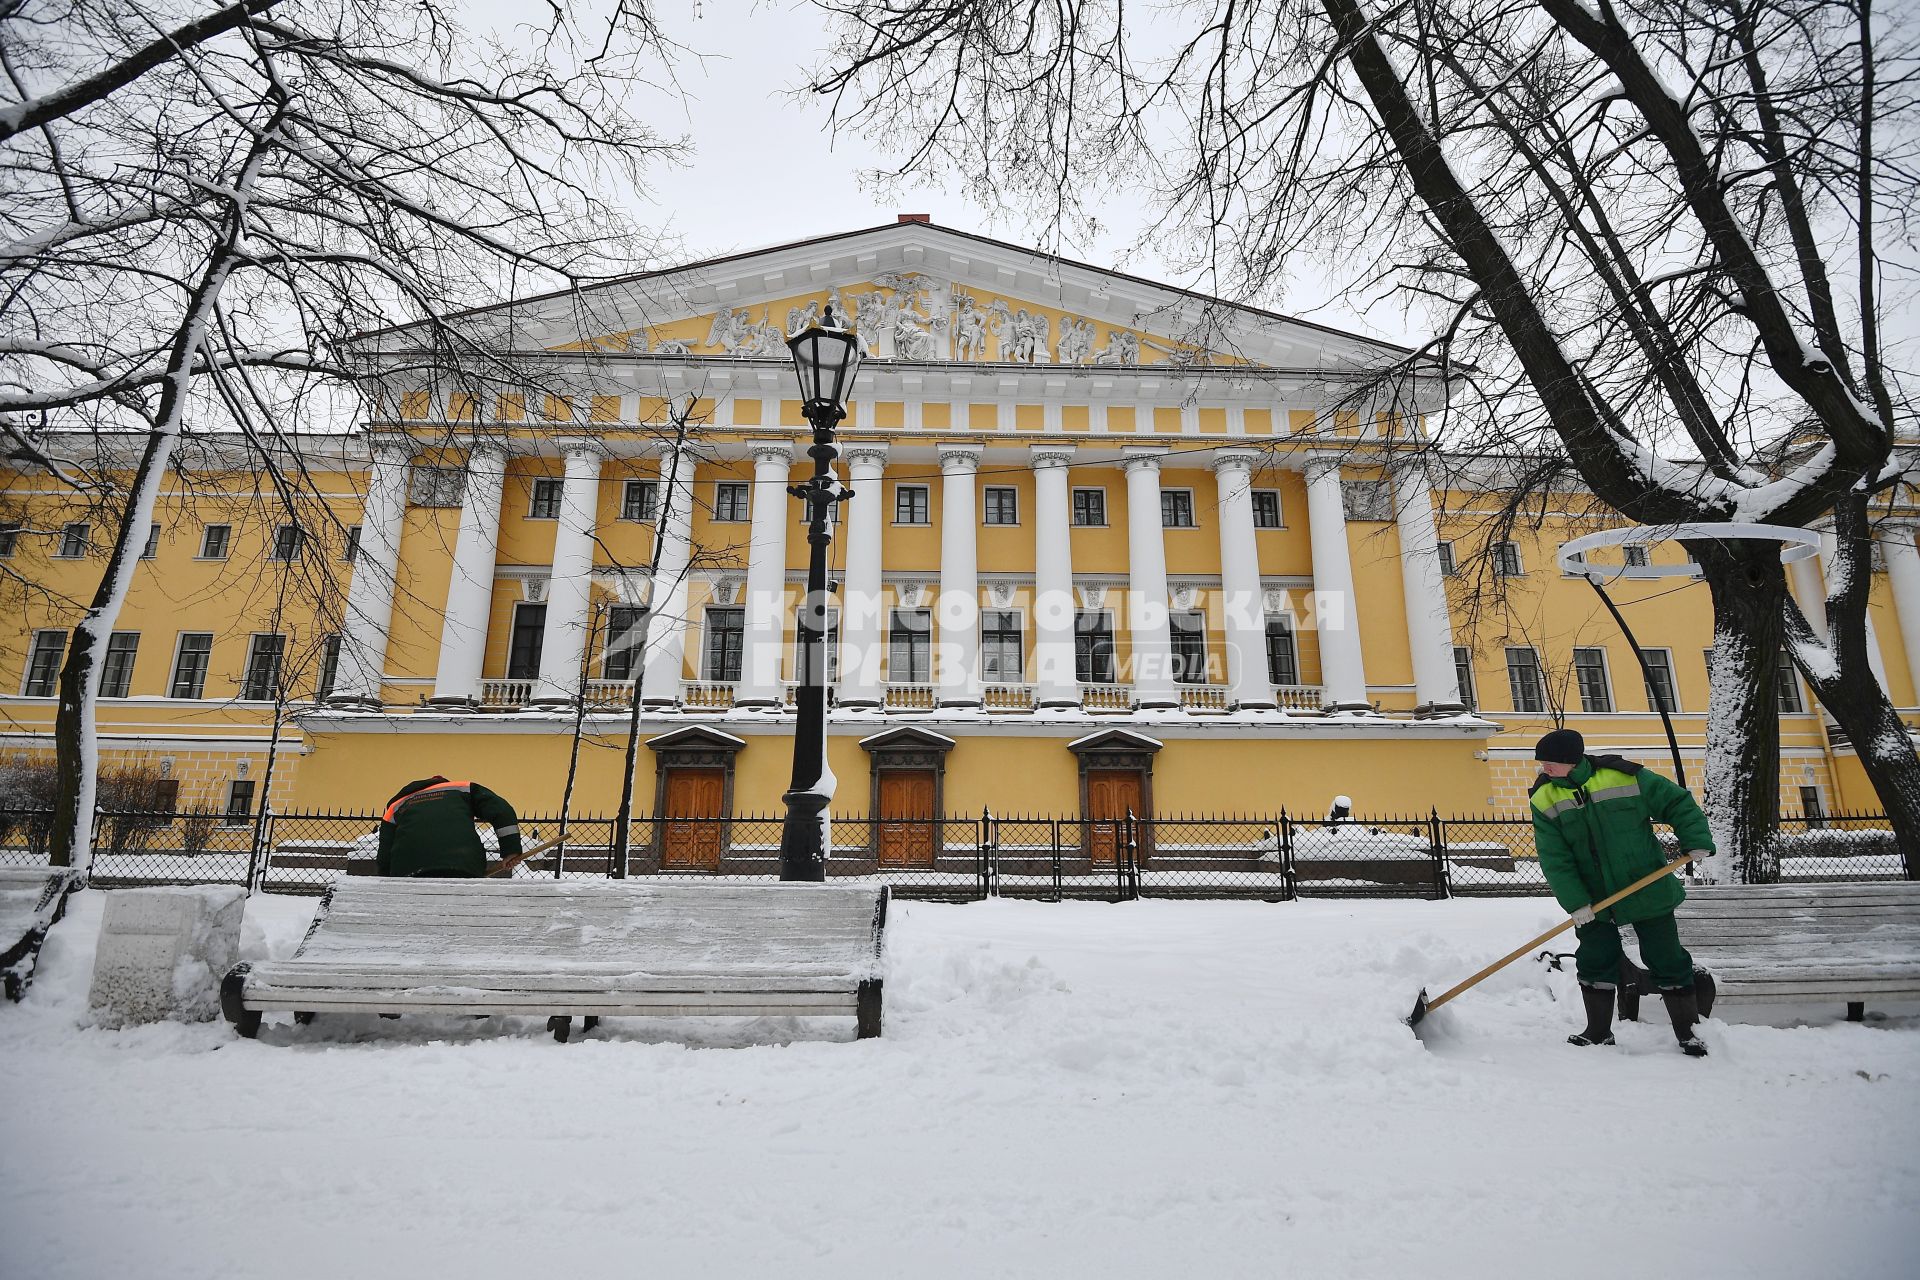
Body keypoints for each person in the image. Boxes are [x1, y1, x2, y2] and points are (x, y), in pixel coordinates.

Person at [1529, 729, 1712, 1058]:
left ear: (1572, 760)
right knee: (1595, 958)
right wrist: (1576, 902)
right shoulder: (1544, 797)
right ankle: (1598, 1032)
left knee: (1666, 957)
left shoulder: (1624, 776)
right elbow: (1555, 857)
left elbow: (1676, 802)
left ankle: (1689, 1033)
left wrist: (1694, 838)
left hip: (1646, 883)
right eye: (1542, 762)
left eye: (1551, 762)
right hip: (1593, 897)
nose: (1545, 768)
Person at [376, 776, 522, 878]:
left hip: (407, 870)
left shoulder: (396, 806)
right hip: (462, 865)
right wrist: (511, 849)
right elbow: (501, 810)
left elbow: (384, 854)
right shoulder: (462, 789)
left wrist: (388, 880)